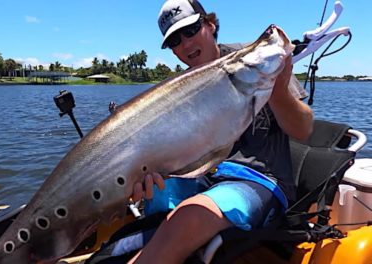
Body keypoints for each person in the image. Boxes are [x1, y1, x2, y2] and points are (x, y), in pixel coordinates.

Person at [128, 0, 314, 263]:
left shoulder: (257, 59)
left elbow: (304, 130)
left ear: (210, 24)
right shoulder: (177, 91)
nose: (187, 44)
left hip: (259, 181)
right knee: (156, 198)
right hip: (203, 175)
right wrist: (147, 172)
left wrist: (279, 91)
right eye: (175, 41)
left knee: (191, 214)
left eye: (191, 31)